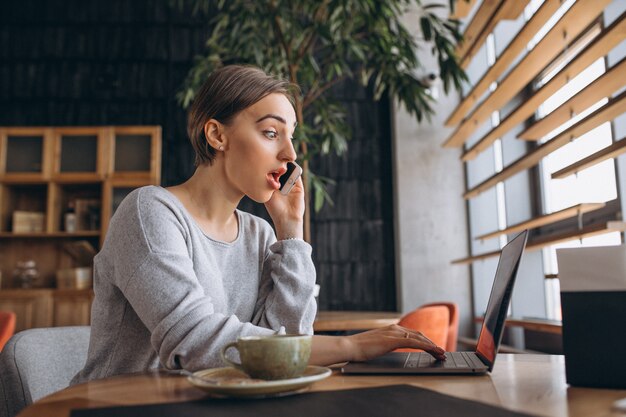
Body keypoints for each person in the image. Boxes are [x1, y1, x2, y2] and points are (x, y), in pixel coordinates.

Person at [72, 65, 445, 384]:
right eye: (271, 133)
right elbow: (194, 342)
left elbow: (288, 345)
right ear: (217, 135)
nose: (290, 154)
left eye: (291, 136)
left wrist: (291, 235)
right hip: (121, 407)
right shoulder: (150, 211)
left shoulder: (258, 233)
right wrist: (350, 346)